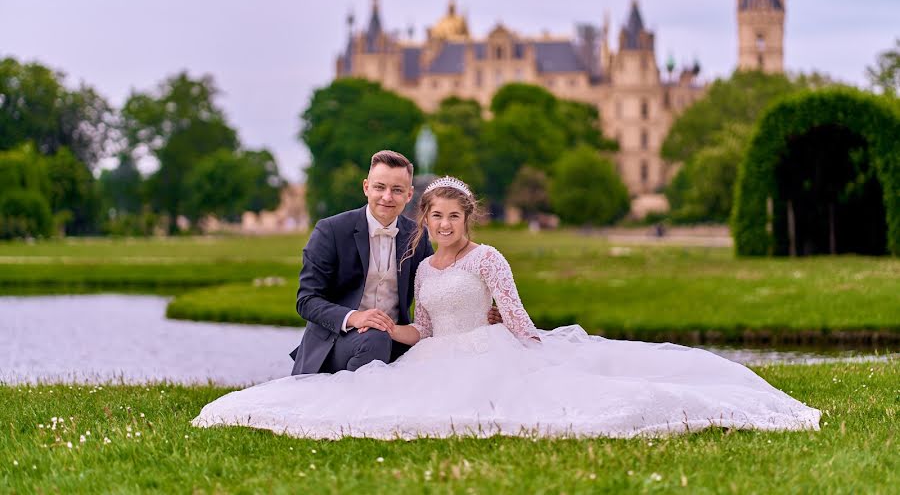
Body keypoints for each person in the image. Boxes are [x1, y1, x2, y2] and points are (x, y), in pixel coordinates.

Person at [195, 176, 820, 439]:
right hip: (439, 350)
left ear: (470, 218)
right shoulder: (426, 265)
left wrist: (537, 344)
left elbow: (516, 317)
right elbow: (426, 326)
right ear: (426, 218)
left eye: (452, 217)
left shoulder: (488, 257)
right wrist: (389, 325)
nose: (442, 225)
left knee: (524, 401)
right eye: (434, 216)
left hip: (491, 349)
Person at [288, 151, 499, 375]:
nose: (387, 197)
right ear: (366, 187)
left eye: (397, 190)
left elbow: (438, 292)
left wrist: (479, 312)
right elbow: (307, 300)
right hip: (335, 344)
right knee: (375, 337)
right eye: (380, 187)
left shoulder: (417, 238)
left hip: (396, 341)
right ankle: (353, 404)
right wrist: (355, 318)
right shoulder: (330, 230)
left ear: (409, 195)